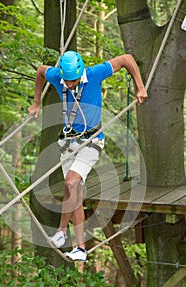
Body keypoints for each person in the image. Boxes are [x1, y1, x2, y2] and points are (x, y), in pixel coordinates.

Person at [28, 51, 147, 262]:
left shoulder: (94, 74)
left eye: (73, 81)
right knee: (73, 192)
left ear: (80, 72)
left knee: (71, 183)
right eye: (68, 80)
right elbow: (40, 71)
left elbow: (127, 59)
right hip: (67, 144)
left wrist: (140, 86)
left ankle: (62, 231)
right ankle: (80, 249)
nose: (71, 85)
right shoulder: (57, 76)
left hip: (91, 142)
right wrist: (36, 102)